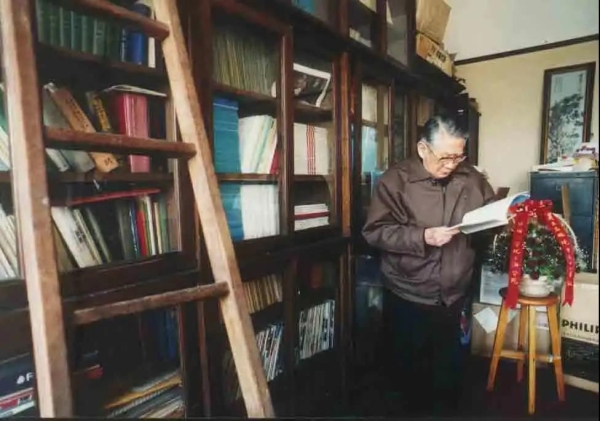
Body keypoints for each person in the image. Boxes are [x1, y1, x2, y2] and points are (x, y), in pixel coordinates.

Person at [362, 115, 496, 415]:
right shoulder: (395, 181)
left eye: (459, 156)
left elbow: (488, 213)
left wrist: (502, 217)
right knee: (409, 381)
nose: (452, 164)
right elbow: (375, 232)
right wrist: (422, 237)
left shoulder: (471, 178)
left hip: (455, 294)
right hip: (409, 294)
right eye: (446, 157)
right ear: (423, 148)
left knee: (449, 376)